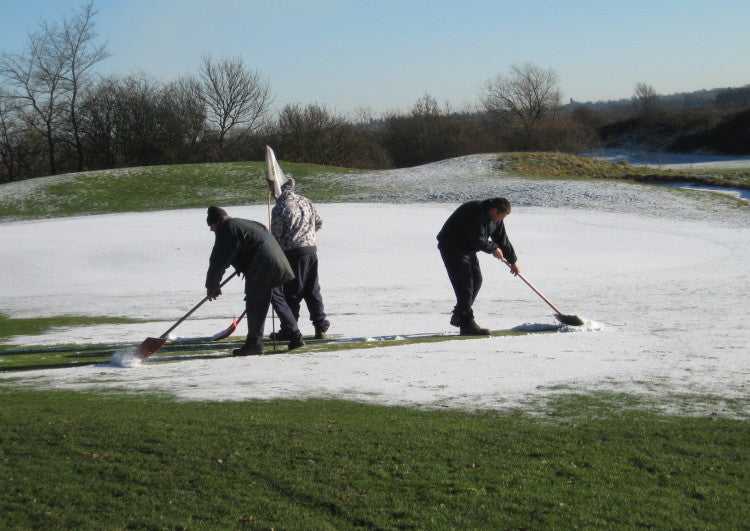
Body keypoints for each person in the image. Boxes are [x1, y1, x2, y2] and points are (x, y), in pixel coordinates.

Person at [204, 206, 304, 356]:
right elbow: (248, 245)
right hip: (277, 263)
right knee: (277, 299)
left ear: (216, 222)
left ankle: (255, 343)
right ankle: (295, 336)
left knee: (255, 302)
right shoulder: (244, 224)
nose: (211, 230)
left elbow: (218, 260)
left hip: (262, 266)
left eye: (211, 226)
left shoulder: (227, 229)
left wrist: (212, 285)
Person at [436, 197, 521, 335]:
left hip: (467, 249)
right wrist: (493, 249)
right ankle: (467, 324)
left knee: (476, 280)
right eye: (500, 217)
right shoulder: (475, 212)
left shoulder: (496, 219)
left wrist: (512, 261)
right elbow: (477, 239)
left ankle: (460, 314)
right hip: (452, 246)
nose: (500, 220)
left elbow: (501, 238)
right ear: (494, 211)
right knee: (465, 284)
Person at [269, 177, 330, 340]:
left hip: (293, 253)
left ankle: (289, 328)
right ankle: (320, 326)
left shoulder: (279, 207)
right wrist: (307, 235)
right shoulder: (306, 201)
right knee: (312, 289)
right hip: (311, 251)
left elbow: (276, 236)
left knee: (291, 292)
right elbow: (319, 222)